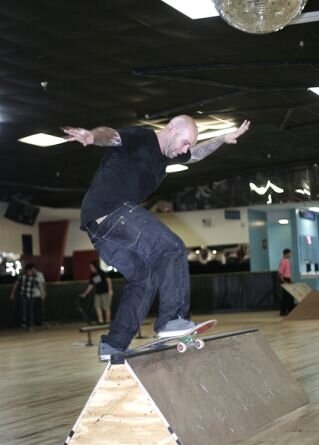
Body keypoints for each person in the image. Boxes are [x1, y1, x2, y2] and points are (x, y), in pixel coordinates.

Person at [62, 116, 250, 358]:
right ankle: (173, 320)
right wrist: (92, 136)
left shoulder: (167, 156)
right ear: (171, 129)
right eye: (184, 142)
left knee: (144, 278)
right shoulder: (142, 138)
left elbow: (195, 155)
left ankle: (114, 344)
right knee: (171, 248)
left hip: (100, 230)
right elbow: (112, 135)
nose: (185, 149)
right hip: (110, 210)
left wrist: (221, 139)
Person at [10, 263, 45, 328]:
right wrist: (12, 293)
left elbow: (39, 285)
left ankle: (30, 323)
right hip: (24, 295)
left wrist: (42, 293)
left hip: (31, 296)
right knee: (24, 309)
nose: (30, 272)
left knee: (30, 309)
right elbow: (16, 284)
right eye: (28, 271)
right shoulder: (22, 276)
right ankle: (24, 322)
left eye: (31, 271)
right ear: (26, 271)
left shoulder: (35, 277)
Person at [278, 248, 294, 316]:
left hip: (288, 278)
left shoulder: (288, 261)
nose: (290, 255)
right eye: (289, 253)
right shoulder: (283, 261)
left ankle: (290, 310)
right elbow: (280, 273)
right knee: (286, 296)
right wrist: (283, 281)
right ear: (286, 254)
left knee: (290, 296)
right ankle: (283, 311)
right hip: (284, 279)